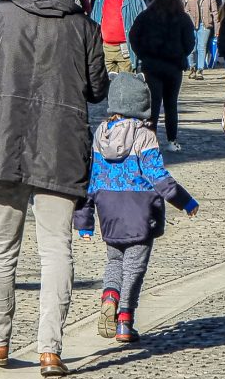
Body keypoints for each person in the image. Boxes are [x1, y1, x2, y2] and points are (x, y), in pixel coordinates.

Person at [0, 0, 108, 378]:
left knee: (1, 246)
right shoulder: (83, 26)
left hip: (2, 140)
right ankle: (50, 350)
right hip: (60, 145)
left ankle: (0, 336)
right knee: (56, 248)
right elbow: (98, 89)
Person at [74, 72, 199, 343]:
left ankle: (109, 296)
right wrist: (185, 201)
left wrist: (83, 220)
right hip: (140, 210)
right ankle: (124, 321)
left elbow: (92, 179)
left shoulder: (100, 135)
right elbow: (158, 176)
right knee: (134, 268)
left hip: (108, 210)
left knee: (114, 261)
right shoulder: (145, 136)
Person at [129, 0, 195, 152]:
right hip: (174, 66)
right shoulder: (182, 18)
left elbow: (134, 36)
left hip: (152, 65)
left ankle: (151, 140)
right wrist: (180, 53)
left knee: (153, 104)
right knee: (171, 104)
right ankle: (172, 141)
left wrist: (143, 54)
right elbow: (189, 43)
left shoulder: (146, 16)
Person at [90, 0, 146, 73]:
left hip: (126, 48)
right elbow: (93, 21)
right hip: (105, 48)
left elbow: (144, 21)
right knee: (107, 84)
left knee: (126, 82)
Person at [181, 0, 219, 80]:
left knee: (201, 47)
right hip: (190, 25)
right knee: (191, 48)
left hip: (205, 24)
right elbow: (180, 10)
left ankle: (200, 70)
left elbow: (215, 12)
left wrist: (217, 28)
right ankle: (192, 67)